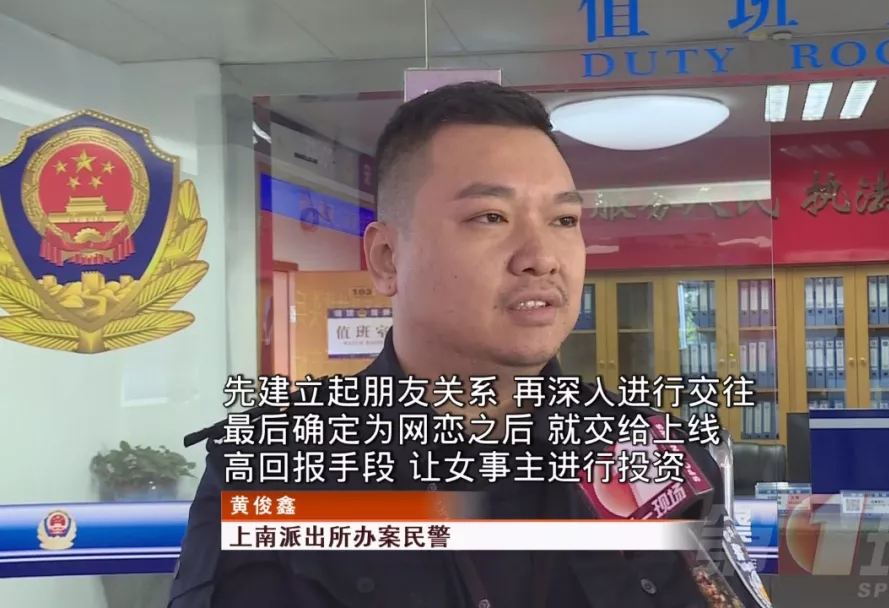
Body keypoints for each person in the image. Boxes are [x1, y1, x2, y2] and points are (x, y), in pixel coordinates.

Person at [170, 82, 737, 608]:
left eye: (564, 220)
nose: (542, 257)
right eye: (491, 216)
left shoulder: (652, 453)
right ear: (387, 259)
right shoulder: (274, 466)